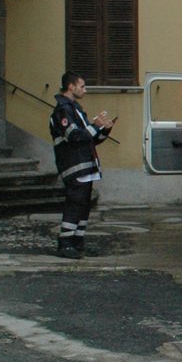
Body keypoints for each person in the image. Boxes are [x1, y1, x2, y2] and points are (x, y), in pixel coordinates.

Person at [48, 72, 114, 259]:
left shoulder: (75, 109)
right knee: (75, 204)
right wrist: (94, 125)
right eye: (82, 86)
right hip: (74, 165)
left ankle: (77, 242)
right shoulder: (63, 110)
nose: (85, 90)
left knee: (83, 205)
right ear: (71, 86)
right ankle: (65, 244)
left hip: (86, 165)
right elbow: (75, 137)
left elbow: (89, 139)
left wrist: (104, 129)